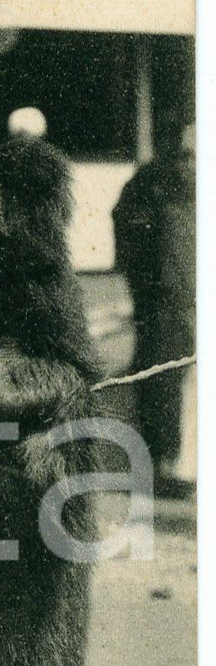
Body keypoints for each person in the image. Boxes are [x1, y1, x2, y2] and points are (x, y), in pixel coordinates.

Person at [111, 121, 196, 494]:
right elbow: (126, 224)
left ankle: (164, 461)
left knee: (163, 374)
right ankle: (166, 463)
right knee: (166, 374)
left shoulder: (154, 180)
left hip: (167, 293)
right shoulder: (159, 183)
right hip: (168, 295)